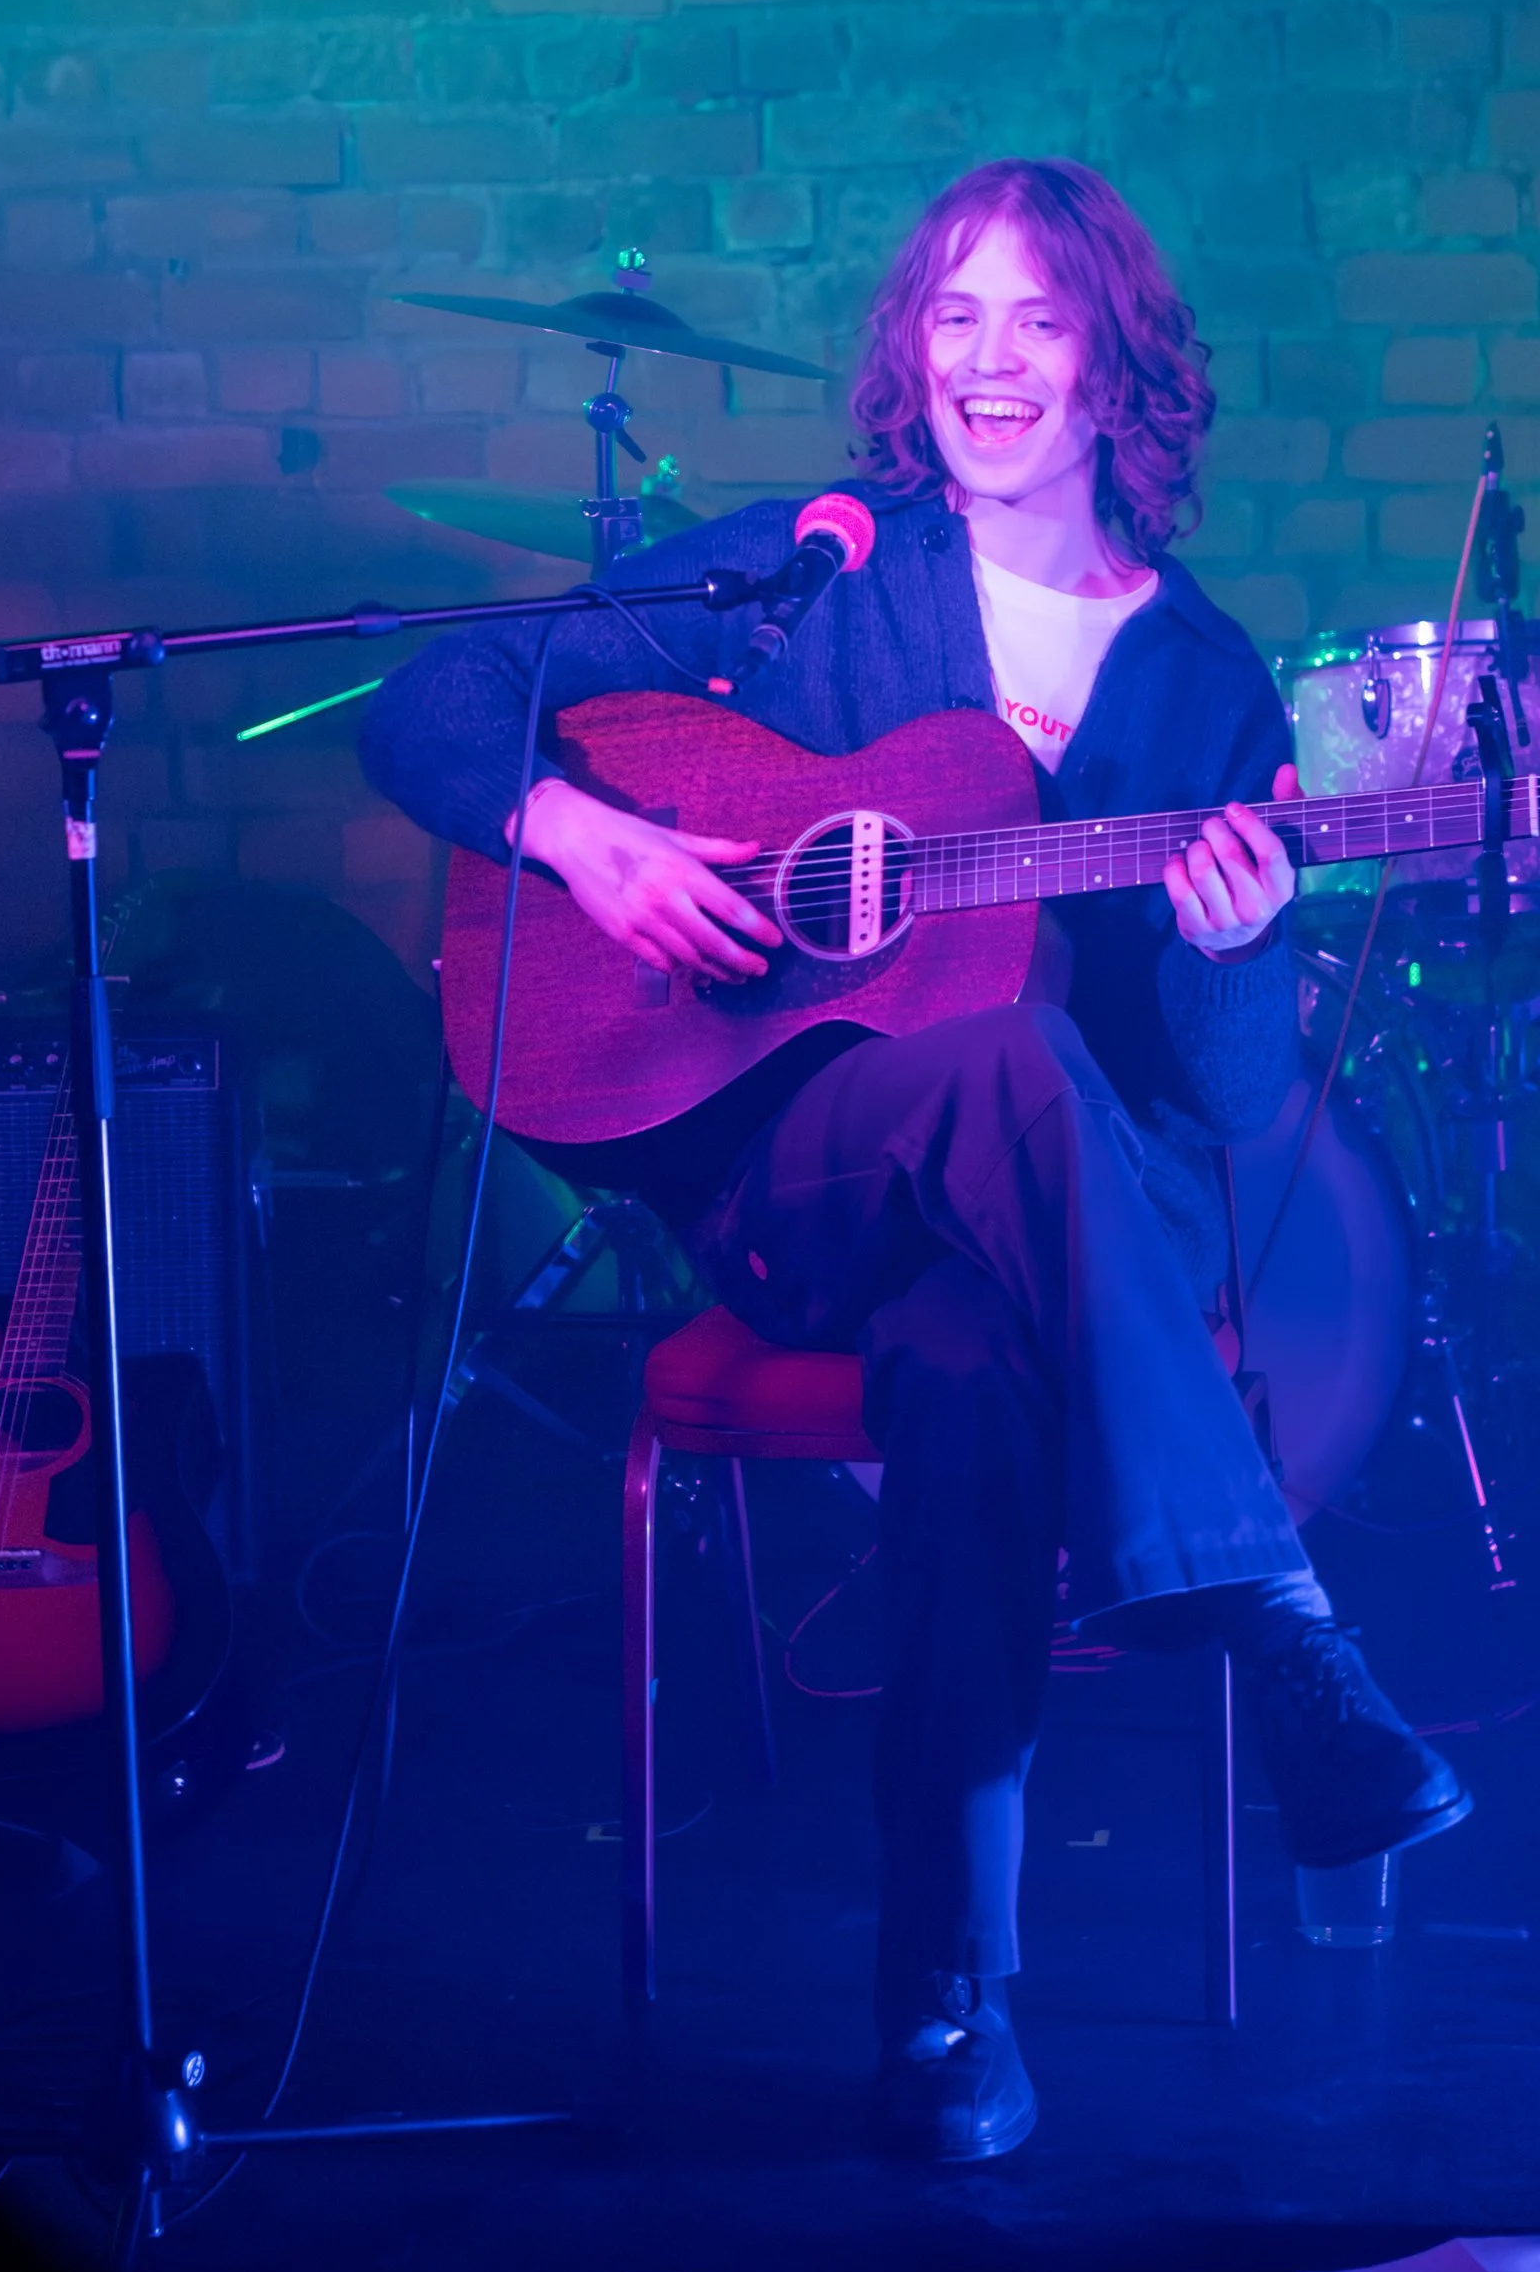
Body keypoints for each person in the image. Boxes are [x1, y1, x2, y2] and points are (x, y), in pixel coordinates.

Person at [363, 159, 1466, 2160]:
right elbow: (434, 694)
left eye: (1034, 318)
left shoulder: (1201, 680)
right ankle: (1281, 1626)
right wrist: (583, 836)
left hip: (1028, 1232)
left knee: (983, 1309)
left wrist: (1235, 946)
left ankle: (946, 2000)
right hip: (785, 1196)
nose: (984, 359)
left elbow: (1210, 1093)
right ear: (908, 351)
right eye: (950, 314)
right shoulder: (819, 569)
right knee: (1008, 1064)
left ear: (1110, 358)